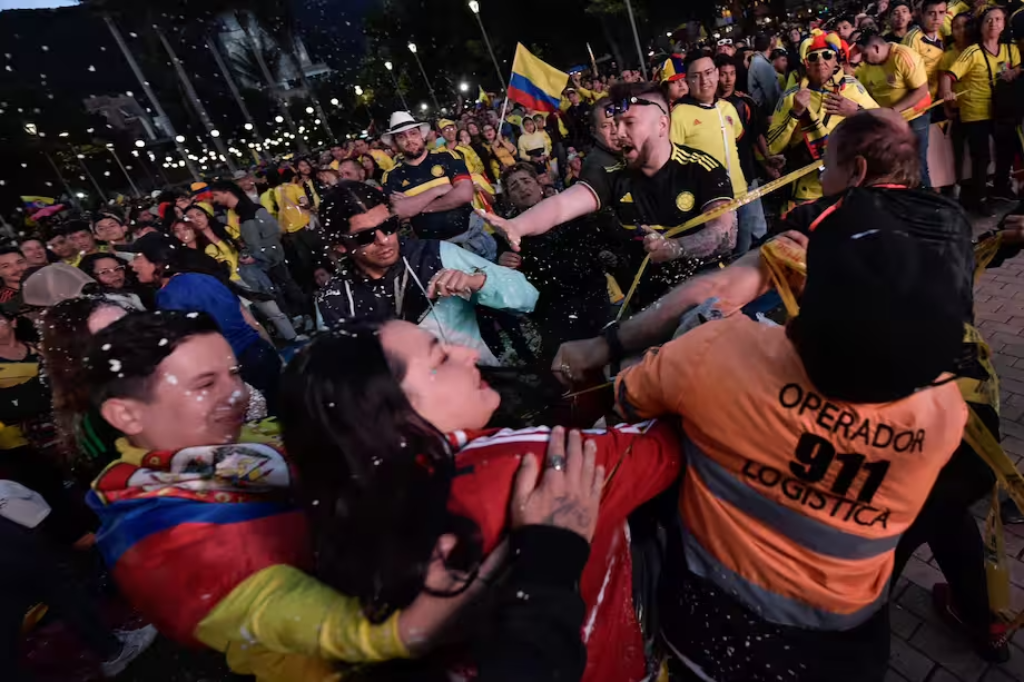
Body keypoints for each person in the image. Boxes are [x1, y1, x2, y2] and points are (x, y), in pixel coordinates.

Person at [615, 168, 970, 681]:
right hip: (843, 654)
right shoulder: (944, 414)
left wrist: (701, 320)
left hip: (705, 637)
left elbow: (627, 398)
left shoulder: (716, 351)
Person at [83, 311, 490, 682]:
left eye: (234, 374)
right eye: (206, 384)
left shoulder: (227, 445)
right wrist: (537, 531)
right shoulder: (161, 537)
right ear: (127, 415)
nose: (237, 396)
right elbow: (387, 633)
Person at [279, 318, 682, 682]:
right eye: (439, 358)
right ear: (395, 415)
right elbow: (667, 445)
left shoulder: (334, 497)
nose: (469, 352)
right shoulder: (528, 464)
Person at [485, 82, 736, 311]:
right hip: (652, 308)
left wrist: (677, 248)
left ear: (662, 124)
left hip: (709, 299)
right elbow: (561, 205)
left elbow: (725, 235)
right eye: (614, 124)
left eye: (628, 123)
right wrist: (516, 225)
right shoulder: (613, 176)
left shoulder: (702, 168)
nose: (618, 133)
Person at [314, 181, 537, 366]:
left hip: (478, 389)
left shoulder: (435, 254)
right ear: (339, 245)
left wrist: (478, 282)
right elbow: (347, 379)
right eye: (365, 236)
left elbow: (527, 297)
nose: (383, 240)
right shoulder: (334, 300)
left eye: (389, 225)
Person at [128, 232, 283, 412]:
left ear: (158, 261)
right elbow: (249, 321)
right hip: (261, 353)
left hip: (238, 369)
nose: (132, 265)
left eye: (137, 258)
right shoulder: (204, 277)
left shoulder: (169, 295)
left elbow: (190, 346)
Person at [498, 163, 615, 358]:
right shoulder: (507, 233)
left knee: (608, 349)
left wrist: (606, 255)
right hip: (551, 308)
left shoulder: (568, 208)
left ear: (538, 183)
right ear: (509, 199)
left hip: (592, 292)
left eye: (526, 181)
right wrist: (502, 261)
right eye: (514, 187)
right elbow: (506, 279)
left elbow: (598, 240)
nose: (522, 188)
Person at [767, 31, 879, 209]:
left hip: (849, 183)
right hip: (807, 191)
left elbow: (883, 124)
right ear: (806, 63)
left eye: (827, 55)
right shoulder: (792, 95)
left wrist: (856, 111)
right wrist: (795, 113)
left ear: (836, 60)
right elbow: (773, 146)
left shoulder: (851, 86)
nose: (821, 62)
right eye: (813, 57)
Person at [382, 112, 497, 261]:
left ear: (422, 135)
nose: (409, 140)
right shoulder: (391, 176)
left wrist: (416, 207)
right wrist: (438, 190)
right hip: (434, 253)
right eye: (401, 137)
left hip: (473, 241)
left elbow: (464, 194)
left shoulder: (448, 157)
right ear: (395, 143)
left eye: (413, 133)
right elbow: (398, 211)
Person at [940, 5, 1022, 214]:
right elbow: (949, 76)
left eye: (998, 19)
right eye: (988, 20)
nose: (993, 23)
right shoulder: (972, 52)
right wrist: (948, 94)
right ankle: (979, 197)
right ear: (981, 26)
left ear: (1004, 24)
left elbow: (1019, 72)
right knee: (981, 156)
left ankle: (1000, 188)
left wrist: (1016, 71)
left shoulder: (1011, 50)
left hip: (1002, 110)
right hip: (975, 110)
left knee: (1007, 149)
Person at [184, 204, 301, 344]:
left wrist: (245, 255)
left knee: (273, 310)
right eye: (191, 217)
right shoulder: (197, 245)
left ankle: (293, 337)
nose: (197, 219)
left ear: (206, 215)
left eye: (199, 214)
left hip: (248, 275)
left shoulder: (224, 230)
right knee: (252, 322)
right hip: (229, 284)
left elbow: (244, 245)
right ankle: (269, 349)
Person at [209, 180, 309, 327]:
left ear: (227, 192)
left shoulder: (253, 210)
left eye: (216, 195)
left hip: (272, 258)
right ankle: (295, 319)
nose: (215, 199)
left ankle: (307, 314)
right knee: (277, 292)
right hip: (260, 263)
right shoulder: (235, 214)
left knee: (287, 287)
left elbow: (273, 233)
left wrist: (261, 255)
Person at [671, 55, 749, 238]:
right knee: (725, 255)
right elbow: (674, 165)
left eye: (708, 73)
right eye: (696, 76)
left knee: (751, 242)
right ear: (688, 81)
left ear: (716, 74)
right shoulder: (679, 115)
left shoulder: (728, 107)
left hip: (742, 193)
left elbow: (737, 144)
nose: (704, 80)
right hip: (711, 202)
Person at [717, 55, 778, 252]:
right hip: (721, 184)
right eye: (723, 74)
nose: (728, 79)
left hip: (748, 176)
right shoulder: (708, 107)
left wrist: (768, 159)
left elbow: (756, 134)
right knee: (735, 238)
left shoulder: (745, 102)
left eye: (732, 74)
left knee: (758, 229)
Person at [748, 33, 783, 114]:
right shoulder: (761, 64)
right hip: (769, 113)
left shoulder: (758, 61)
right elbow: (771, 93)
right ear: (770, 44)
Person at [0, 246, 28, 315]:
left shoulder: (44, 283)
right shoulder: (6, 302)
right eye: (6, 266)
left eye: (20, 262)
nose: (18, 268)